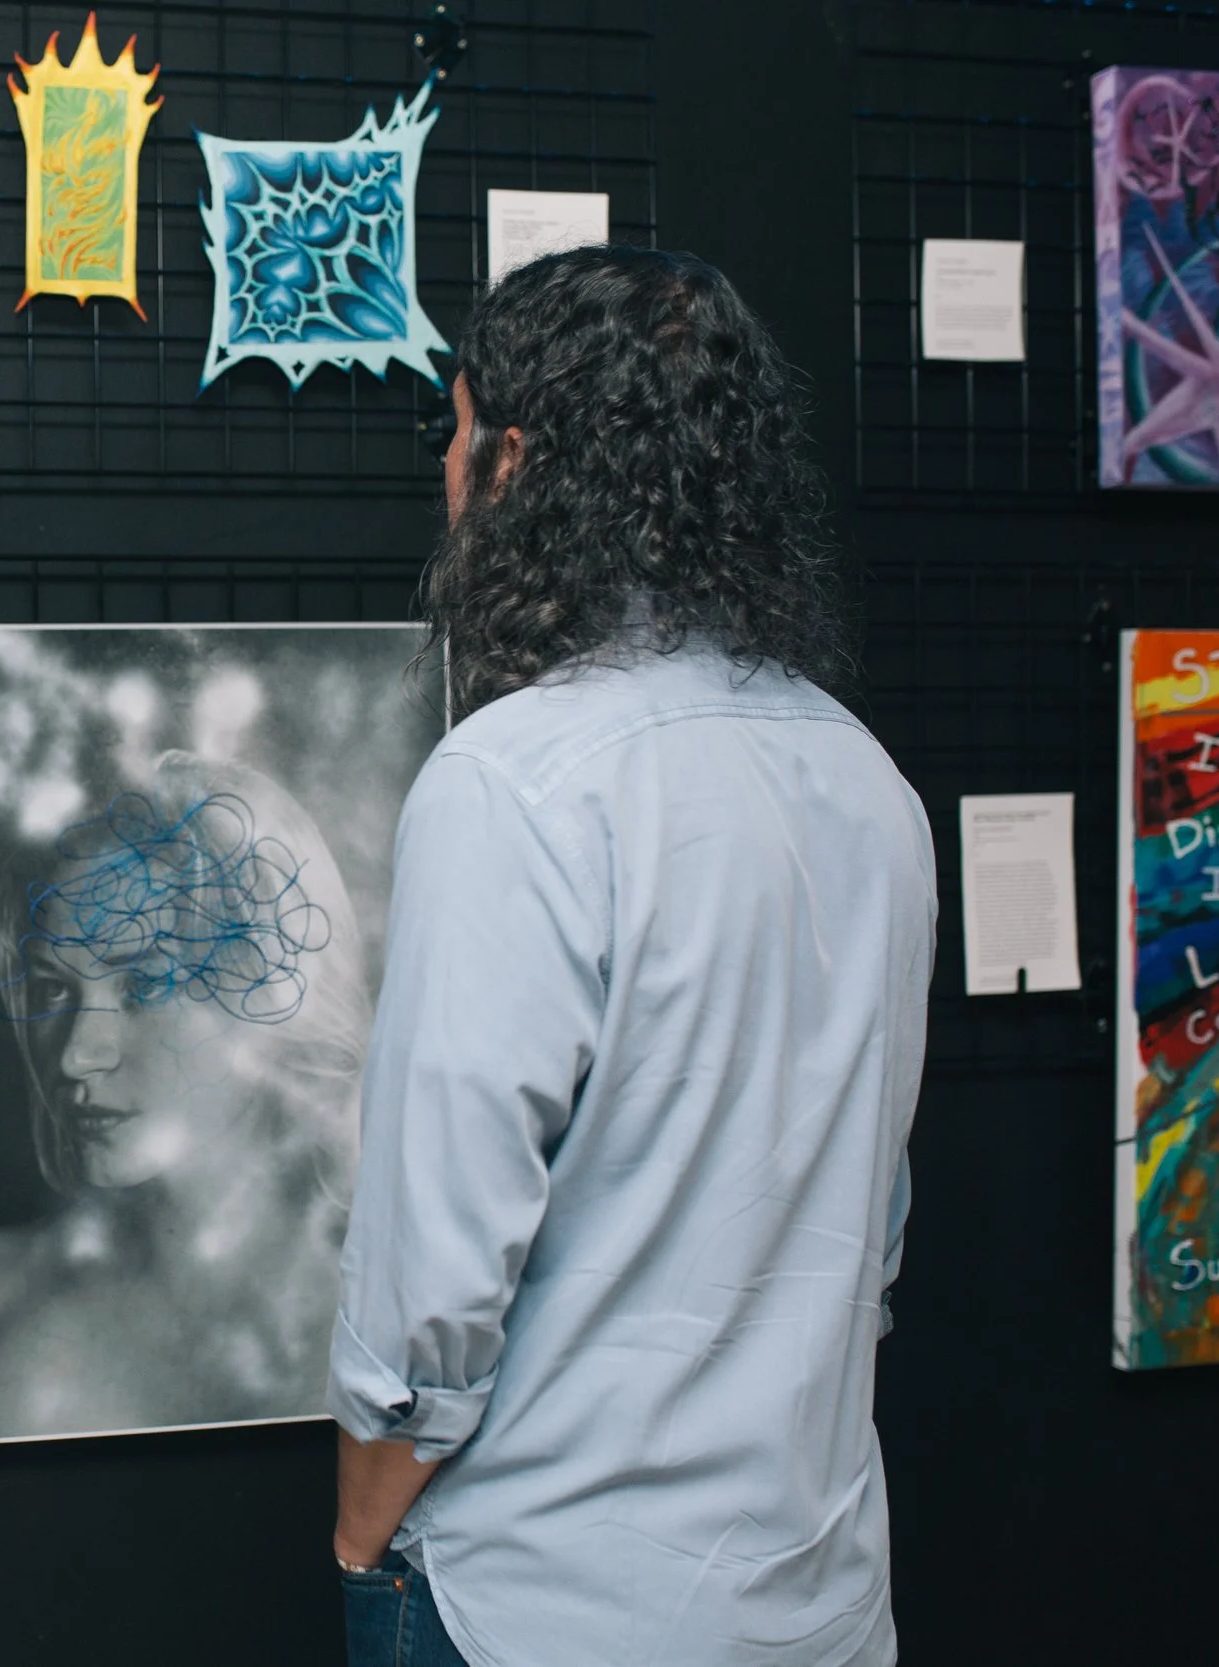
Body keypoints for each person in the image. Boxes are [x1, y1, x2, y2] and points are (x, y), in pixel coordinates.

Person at [328, 246, 934, 1667]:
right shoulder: (867, 781)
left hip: (545, 1599)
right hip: (818, 1599)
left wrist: (361, 1540)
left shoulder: (515, 779)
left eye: (457, 429)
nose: (448, 467)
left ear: (518, 462)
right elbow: (876, 1224)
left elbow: (433, 1263)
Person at [0, 750, 369, 1437]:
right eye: (57, 987)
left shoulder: (406, 1311)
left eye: (144, 986)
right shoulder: (1, 1310)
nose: (79, 1054)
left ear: (271, 993)